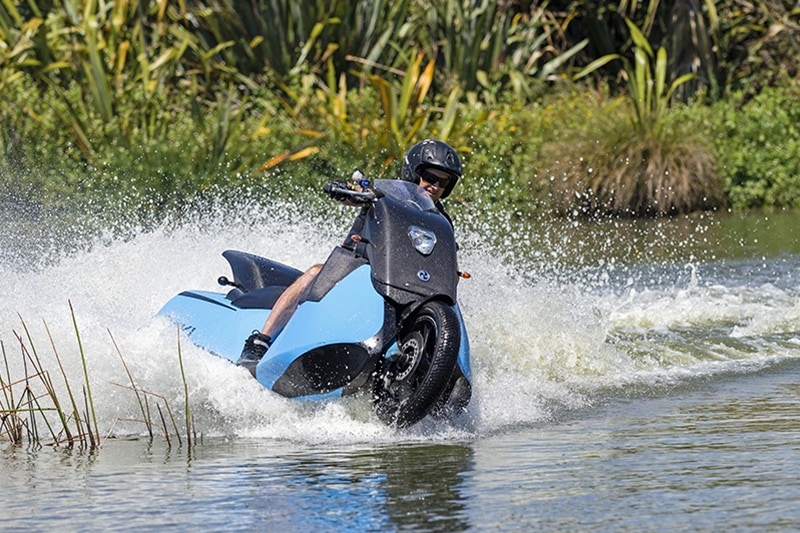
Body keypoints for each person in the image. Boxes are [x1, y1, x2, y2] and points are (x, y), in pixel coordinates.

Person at [236, 139, 463, 376]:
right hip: (359, 262)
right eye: (429, 176)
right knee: (314, 271)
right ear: (413, 170)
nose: (435, 185)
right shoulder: (384, 194)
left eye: (443, 181)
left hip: (405, 280)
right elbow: (357, 193)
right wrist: (345, 191)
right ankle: (260, 341)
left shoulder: (441, 220)